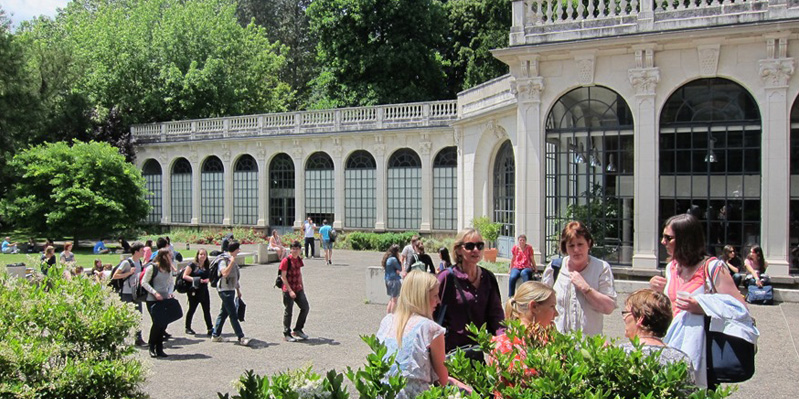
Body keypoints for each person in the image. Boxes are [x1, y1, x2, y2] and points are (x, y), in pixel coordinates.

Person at [649, 213, 749, 388]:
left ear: (686, 239)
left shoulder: (712, 267)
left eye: (668, 238)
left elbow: (739, 307)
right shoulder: (671, 267)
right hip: (673, 344)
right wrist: (657, 290)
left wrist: (702, 306)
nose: (663, 242)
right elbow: (672, 306)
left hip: (703, 351)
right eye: (663, 237)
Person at [376, 270, 448, 398]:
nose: (439, 301)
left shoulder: (387, 322)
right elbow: (443, 381)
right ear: (422, 298)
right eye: (435, 296)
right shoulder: (430, 329)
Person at [542, 221, 617, 336]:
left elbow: (608, 308)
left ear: (589, 243)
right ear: (565, 248)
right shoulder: (554, 268)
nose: (576, 250)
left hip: (589, 347)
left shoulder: (601, 268)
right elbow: (543, 304)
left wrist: (586, 288)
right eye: (571, 246)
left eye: (580, 244)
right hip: (559, 344)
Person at [435, 228, 504, 352]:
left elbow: (496, 316)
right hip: (450, 353)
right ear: (459, 250)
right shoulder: (446, 277)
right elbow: (432, 313)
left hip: (477, 351)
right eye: (470, 246)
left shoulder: (488, 278)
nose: (476, 250)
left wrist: (503, 340)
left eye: (480, 245)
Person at [619, 289, 694, 383]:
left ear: (640, 318)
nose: (624, 318)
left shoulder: (621, 354)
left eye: (626, 313)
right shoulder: (681, 359)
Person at [490, 282, 558, 384]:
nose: (556, 313)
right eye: (552, 307)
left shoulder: (500, 344)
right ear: (534, 307)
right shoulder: (506, 346)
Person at [211, 241, 251, 346]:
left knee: (224, 312)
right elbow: (224, 273)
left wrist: (238, 290)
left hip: (231, 289)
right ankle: (241, 336)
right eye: (238, 248)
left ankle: (215, 334)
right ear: (234, 249)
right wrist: (232, 262)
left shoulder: (231, 259)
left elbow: (235, 278)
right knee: (233, 314)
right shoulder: (223, 260)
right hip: (224, 289)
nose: (239, 251)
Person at [141, 248, 177, 358]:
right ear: (162, 256)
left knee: (164, 323)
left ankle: (159, 348)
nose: (170, 257)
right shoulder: (152, 268)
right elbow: (144, 282)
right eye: (168, 255)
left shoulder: (168, 268)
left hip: (164, 298)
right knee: (157, 323)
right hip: (152, 299)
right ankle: (152, 346)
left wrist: (170, 293)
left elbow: (171, 283)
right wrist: (155, 293)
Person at [111, 242, 147, 347]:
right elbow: (115, 276)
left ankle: (138, 338)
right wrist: (128, 273)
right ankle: (121, 338)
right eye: (141, 251)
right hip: (126, 293)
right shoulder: (126, 263)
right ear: (136, 252)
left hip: (136, 293)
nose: (143, 252)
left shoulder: (139, 262)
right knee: (125, 316)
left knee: (138, 315)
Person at [280, 241, 311, 342]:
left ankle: (298, 329)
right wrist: (290, 291)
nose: (295, 251)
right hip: (288, 289)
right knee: (288, 311)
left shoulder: (298, 259)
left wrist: (301, 285)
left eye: (297, 249)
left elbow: (299, 273)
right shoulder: (286, 260)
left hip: (298, 288)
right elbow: (283, 277)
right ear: (291, 249)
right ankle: (286, 333)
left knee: (305, 307)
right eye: (293, 248)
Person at [182, 248, 213, 336]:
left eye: (204, 254)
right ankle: (187, 327)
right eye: (201, 254)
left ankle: (210, 328)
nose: (202, 256)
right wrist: (197, 280)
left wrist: (208, 280)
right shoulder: (192, 265)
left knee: (207, 310)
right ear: (197, 255)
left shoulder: (207, 265)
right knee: (192, 309)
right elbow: (185, 276)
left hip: (204, 290)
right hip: (194, 290)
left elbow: (210, 276)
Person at [383, 244, 402, 313]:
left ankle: (388, 315)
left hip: (387, 279)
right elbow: (400, 268)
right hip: (394, 280)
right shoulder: (394, 259)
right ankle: (392, 315)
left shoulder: (388, 258)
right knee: (394, 300)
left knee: (391, 299)